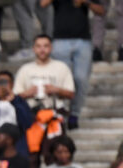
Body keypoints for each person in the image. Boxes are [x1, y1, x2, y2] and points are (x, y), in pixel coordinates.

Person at [45, 0, 105, 129]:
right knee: (61, 80)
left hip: (83, 40)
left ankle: (74, 114)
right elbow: (43, 3)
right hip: (60, 40)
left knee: (81, 78)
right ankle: (62, 113)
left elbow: (101, 11)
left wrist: (85, 2)